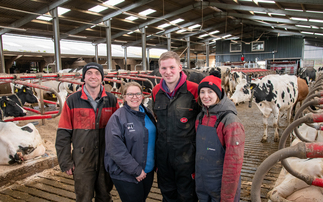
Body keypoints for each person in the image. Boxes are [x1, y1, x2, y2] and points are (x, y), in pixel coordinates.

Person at [55, 62, 119, 202]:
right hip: (82, 160)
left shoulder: (111, 100)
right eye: (89, 73)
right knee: (83, 197)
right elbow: (63, 134)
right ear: (83, 77)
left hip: (105, 158)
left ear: (102, 78)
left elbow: (119, 132)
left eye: (97, 73)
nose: (93, 76)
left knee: (105, 195)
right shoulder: (72, 101)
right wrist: (65, 162)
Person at [152, 51, 200, 202]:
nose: (168, 72)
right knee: (167, 193)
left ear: (180, 67)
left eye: (172, 67)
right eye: (164, 68)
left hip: (187, 156)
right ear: (159, 70)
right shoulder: (155, 92)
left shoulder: (195, 90)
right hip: (163, 156)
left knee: (187, 196)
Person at [195, 71, 245, 202]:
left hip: (221, 186)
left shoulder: (230, 121)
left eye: (210, 91)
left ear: (218, 93)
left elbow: (234, 163)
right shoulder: (200, 117)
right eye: (202, 92)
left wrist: (228, 196)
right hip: (202, 185)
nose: (205, 96)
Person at [104, 82, 157, 202]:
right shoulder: (117, 118)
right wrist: (136, 170)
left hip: (147, 171)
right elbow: (115, 148)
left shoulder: (147, 113)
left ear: (142, 96)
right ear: (124, 96)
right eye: (130, 94)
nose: (135, 97)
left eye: (138, 93)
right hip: (127, 174)